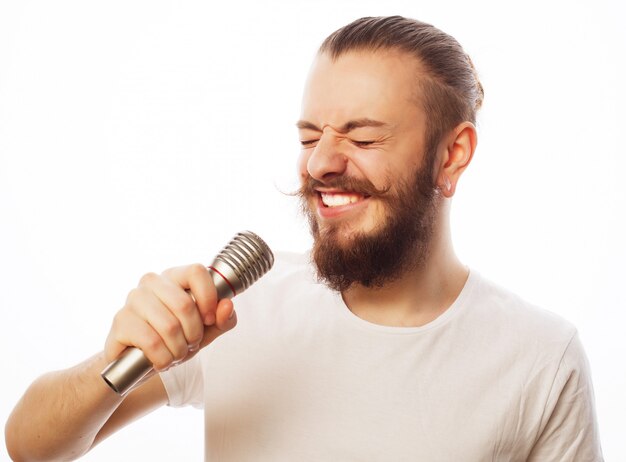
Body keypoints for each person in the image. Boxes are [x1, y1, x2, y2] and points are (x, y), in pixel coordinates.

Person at [5, 16, 602, 461]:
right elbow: (30, 445)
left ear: (452, 155)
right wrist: (114, 362)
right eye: (310, 135)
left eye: (362, 139)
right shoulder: (236, 310)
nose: (320, 164)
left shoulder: (541, 360)